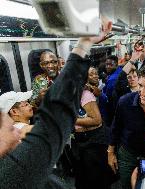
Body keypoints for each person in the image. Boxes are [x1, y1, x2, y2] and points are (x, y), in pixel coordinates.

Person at [0, 17, 112, 188]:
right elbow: (53, 119)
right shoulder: (11, 172)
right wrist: (84, 44)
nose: (18, 132)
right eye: (10, 129)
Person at [108, 63, 145, 189]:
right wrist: (111, 152)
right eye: (140, 85)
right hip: (127, 155)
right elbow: (115, 128)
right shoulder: (124, 102)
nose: (142, 92)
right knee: (127, 186)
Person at [72, 66, 109, 189]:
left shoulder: (86, 94)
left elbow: (96, 119)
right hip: (81, 140)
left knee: (96, 178)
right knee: (84, 177)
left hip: (93, 141)